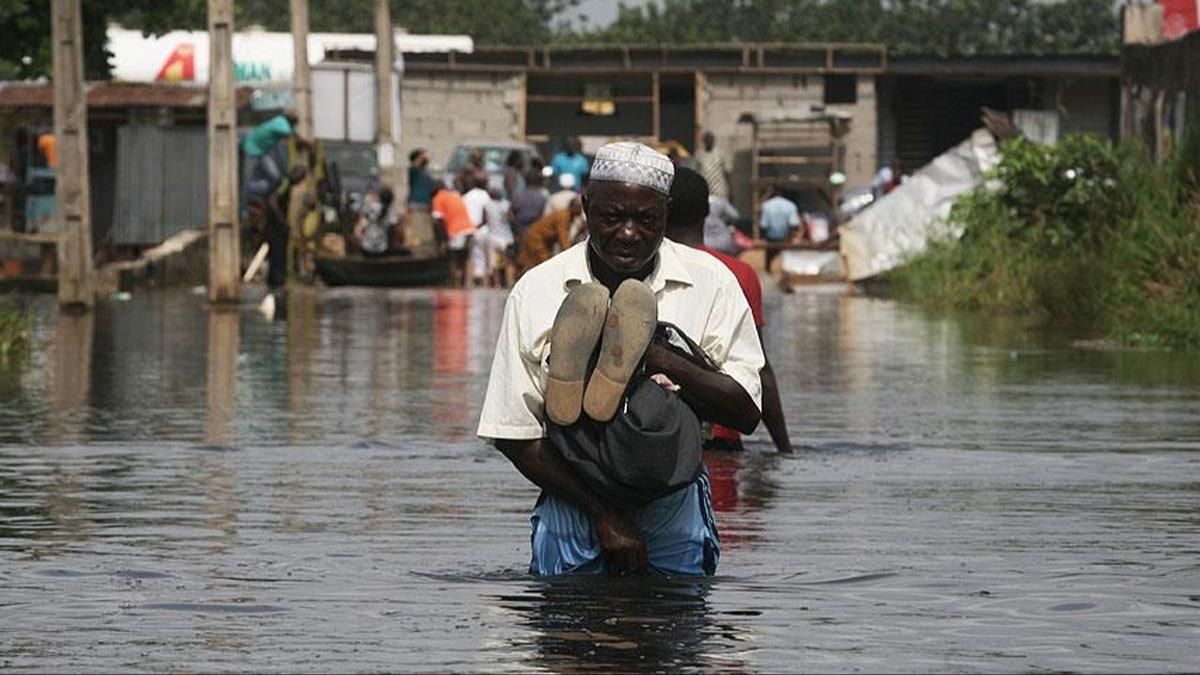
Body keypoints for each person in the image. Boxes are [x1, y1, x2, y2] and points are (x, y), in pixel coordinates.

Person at [478, 141, 765, 576]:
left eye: (646, 220)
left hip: (672, 492)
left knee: (610, 629)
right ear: (586, 207)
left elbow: (745, 412)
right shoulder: (538, 289)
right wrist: (603, 514)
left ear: (666, 214)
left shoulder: (712, 283)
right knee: (595, 631)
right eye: (612, 218)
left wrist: (658, 358)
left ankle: (640, 361)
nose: (628, 232)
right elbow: (513, 433)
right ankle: (591, 378)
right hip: (577, 496)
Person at [667, 167, 792, 454]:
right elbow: (760, 368)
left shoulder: (644, 268)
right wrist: (784, 448)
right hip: (722, 437)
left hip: (657, 435)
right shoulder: (739, 273)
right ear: (706, 212)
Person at [242, 108, 308, 202]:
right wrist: (308, 143)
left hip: (261, 151)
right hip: (251, 149)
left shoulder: (282, 122)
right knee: (246, 182)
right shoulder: (282, 125)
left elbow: (294, 133)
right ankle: (243, 202)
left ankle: (250, 190)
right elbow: (296, 137)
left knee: (275, 176)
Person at [514, 197, 580, 279]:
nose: (581, 210)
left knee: (532, 262)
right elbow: (563, 238)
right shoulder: (564, 217)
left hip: (541, 239)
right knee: (543, 263)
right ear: (573, 207)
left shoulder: (568, 217)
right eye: (579, 207)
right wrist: (570, 254)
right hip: (537, 238)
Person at [431, 183, 475, 286]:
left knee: (453, 259)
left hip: (456, 231)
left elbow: (438, 222)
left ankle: (455, 284)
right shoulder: (454, 195)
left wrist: (443, 240)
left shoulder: (438, 198)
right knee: (463, 259)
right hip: (469, 229)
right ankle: (463, 284)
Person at [759, 184, 801, 268]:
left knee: (769, 261)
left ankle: (768, 271)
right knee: (786, 262)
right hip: (786, 239)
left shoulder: (767, 205)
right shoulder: (791, 205)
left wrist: (763, 237)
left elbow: (763, 225)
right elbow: (794, 224)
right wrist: (792, 237)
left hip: (771, 239)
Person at [354, 186, 397, 257]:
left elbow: (362, 220)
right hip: (382, 250)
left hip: (366, 249)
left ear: (379, 197)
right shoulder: (392, 212)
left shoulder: (371, 207)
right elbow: (393, 231)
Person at [509, 168, 548, 242]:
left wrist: (516, 230)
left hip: (519, 232)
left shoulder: (518, 195)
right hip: (535, 232)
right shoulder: (542, 197)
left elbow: (511, 214)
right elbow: (543, 216)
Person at [693, 131, 729, 200]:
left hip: (719, 192)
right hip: (705, 192)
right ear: (703, 141)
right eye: (707, 139)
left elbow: (726, 173)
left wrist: (730, 191)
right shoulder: (699, 155)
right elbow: (696, 173)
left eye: (710, 139)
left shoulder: (720, 154)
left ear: (713, 141)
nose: (709, 141)